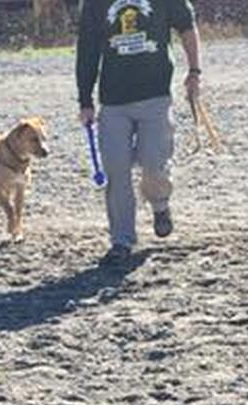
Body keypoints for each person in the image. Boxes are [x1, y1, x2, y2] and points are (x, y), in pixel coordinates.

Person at [76, 0, 202, 264]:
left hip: (155, 96)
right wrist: (85, 100)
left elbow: (187, 27)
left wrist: (194, 72)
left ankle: (159, 204)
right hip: (113, 101)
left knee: (154, 162)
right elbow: (87, 48)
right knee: (116, 168)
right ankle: (122, 240)